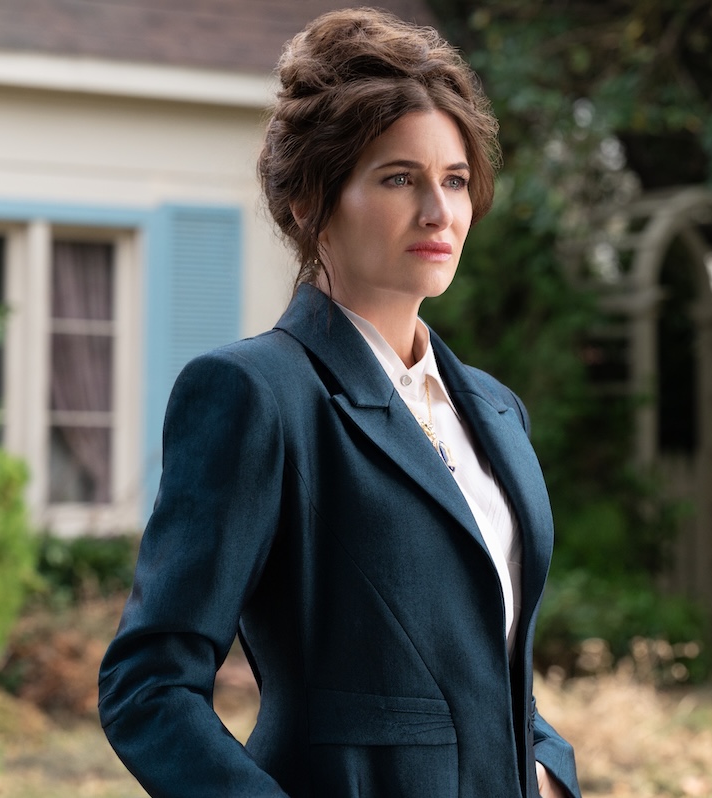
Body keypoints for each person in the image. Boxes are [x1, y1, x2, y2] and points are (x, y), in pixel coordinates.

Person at [97, 7, 581, 798]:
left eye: (454, 181)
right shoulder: (257, 394)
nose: (440, 212)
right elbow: (147, 686)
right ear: (309, 204)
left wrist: (548, 774)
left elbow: (494, 672)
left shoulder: (495, 411)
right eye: (400, 178)